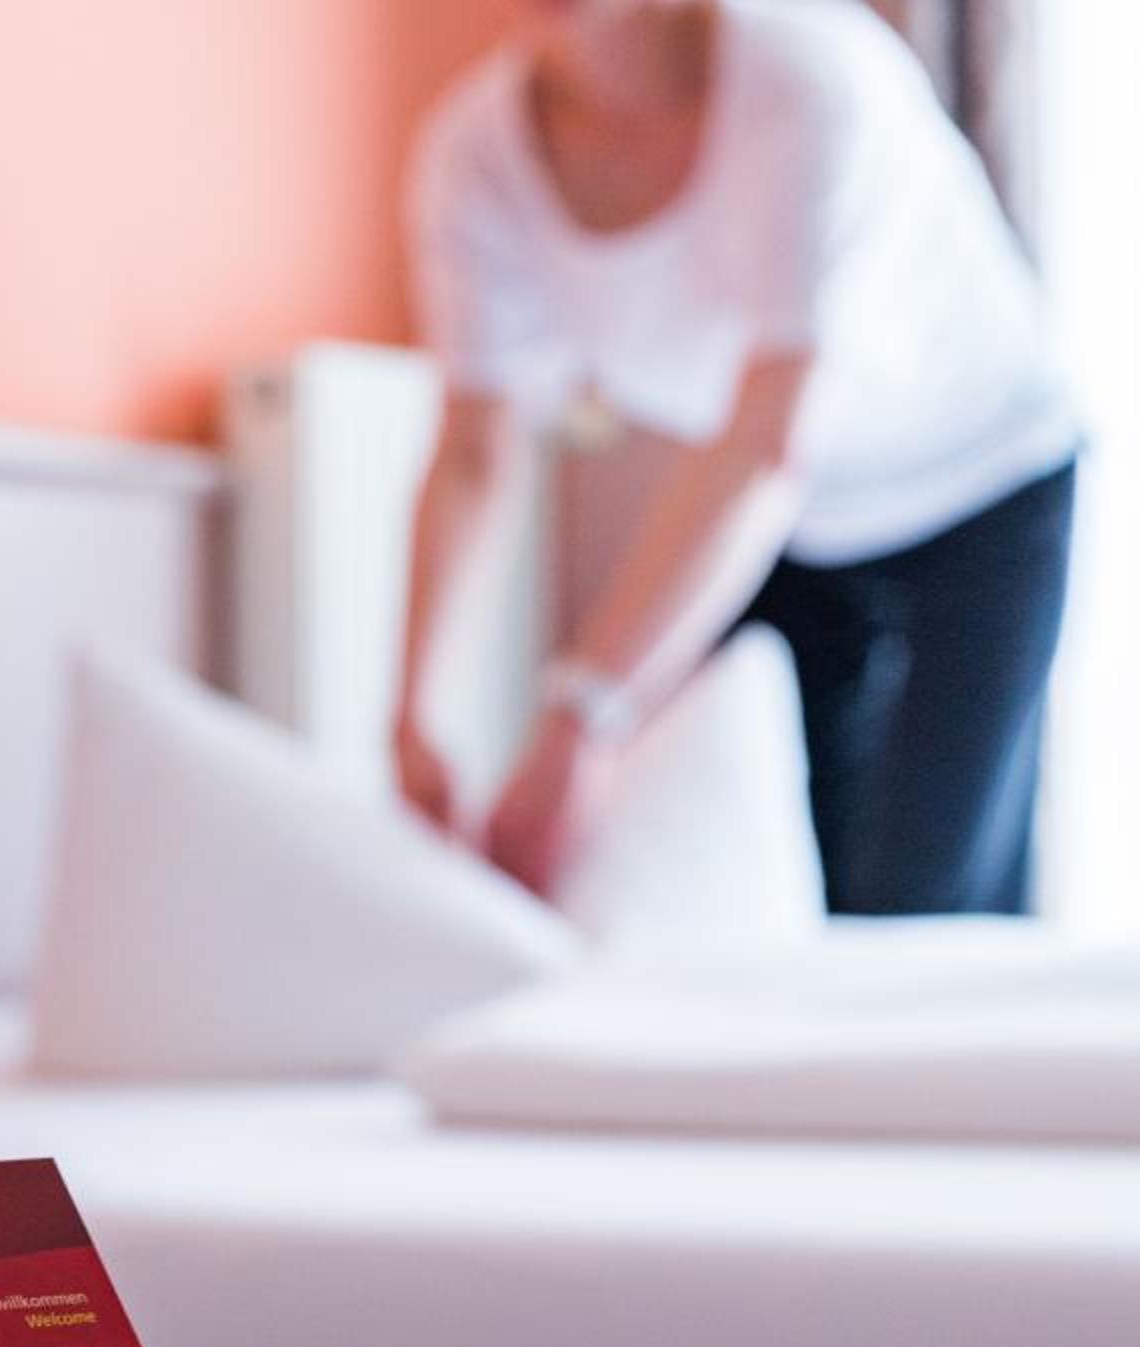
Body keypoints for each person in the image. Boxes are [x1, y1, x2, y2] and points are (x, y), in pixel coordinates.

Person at [395, 0, 1081, 915]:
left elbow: (766, 439)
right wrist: (414, 714)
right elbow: (476, 447)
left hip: (981, 481)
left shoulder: (807, 82)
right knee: (768, 876)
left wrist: (583, 716)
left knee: (921, 894)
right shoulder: (474, 156)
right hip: (792, 520)